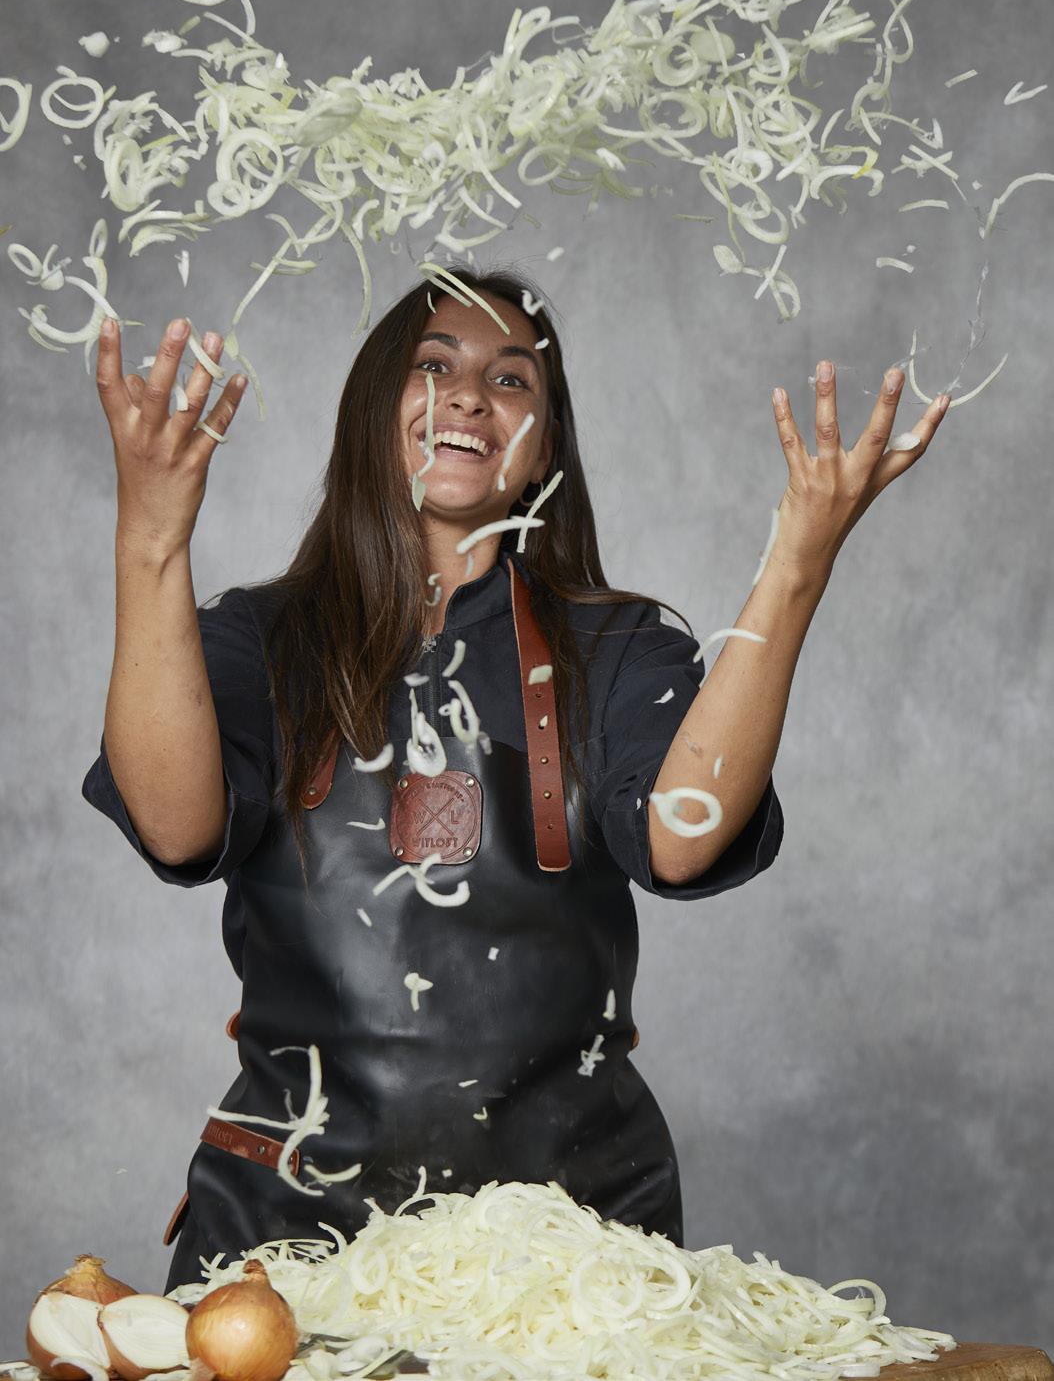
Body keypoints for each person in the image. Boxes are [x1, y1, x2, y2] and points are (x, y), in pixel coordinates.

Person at [82, 264, 950, 1292]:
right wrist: (151, 535)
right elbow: (175, 827)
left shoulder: (617, 649)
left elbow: (683, 839)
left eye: (510, 380)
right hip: (286, 1251)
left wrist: (797, 561)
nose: (466, 396)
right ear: (373, 409)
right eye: (433, 365)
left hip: (567, 1266)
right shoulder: (257, 640)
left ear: (545, 448)